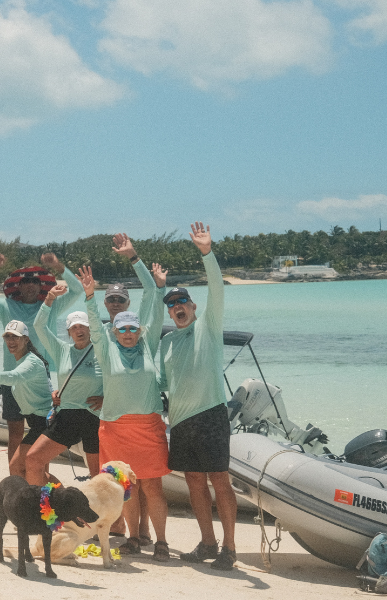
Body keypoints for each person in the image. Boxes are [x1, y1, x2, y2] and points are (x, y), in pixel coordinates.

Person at [77, 265, 171, 561]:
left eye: (133, 329)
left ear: (139, 331)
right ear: (114, 331)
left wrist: (158, 288)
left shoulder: (147, 344)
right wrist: (90, 296)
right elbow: (94, 326)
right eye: (122, 329)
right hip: (115, 428)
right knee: (125, 487)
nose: (128, 334)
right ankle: (132, 537)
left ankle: (162, 541)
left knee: (153, 487)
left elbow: (155, 315)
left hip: (148, 427)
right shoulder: (106, 349)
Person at [158, 222, 238, 571]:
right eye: (171, 304)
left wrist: (206, 252)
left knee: (220, 480)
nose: (177, 306)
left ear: (192, 306)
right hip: (181, 421)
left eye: (182, 301)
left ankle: (230, 547)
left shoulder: (208, 325)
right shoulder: (166, 342)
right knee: (193, 482)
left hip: (210, 415)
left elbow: (217, 288)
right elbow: (158, 382)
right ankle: (207, 542)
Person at [0, 252, 80, 467]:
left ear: (42, 286)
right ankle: (16, 478)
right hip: (12, 380)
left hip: (40, 378)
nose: (31, 285)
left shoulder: (52, 305)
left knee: (43, 435)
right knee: (15, 434)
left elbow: (77, 290)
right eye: (26, 281)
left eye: (35, 281)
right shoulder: (7, 307)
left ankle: (39, 474)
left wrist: (58, 266)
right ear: (18, 286)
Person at [28, 284, 103, 482]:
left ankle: (100, 513)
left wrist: (109, 398)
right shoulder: (61, 350)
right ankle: (46, 506)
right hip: (67, 415)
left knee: (97, 474)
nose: (79, 330)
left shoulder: (103, 349)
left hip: (94, 416)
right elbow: (39, 326)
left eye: (83, 326)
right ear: (69, 332)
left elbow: (119, 378)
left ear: (90, 328)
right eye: (74, 327)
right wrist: (50, 298)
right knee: (33, 459)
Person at [0, 319, 53, 482]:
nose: (11, 341)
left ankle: (62, 498)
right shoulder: (24, 360)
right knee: (35, 468)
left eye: (16, 337)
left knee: (17, 466)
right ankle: (48, 501)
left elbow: (14, 377)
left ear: (26, 340)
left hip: (44, 423)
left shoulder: (31, 363)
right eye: (8, 337)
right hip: (38, 423)